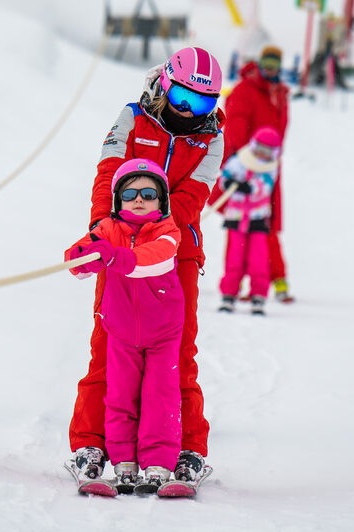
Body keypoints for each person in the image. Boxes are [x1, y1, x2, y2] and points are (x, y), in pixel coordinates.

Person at [68, 46, 225, 485]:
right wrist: (104, 231)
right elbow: (109, 172)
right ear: (165, 85)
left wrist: (156, 239)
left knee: (176, 352)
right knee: (109, 342)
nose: (188, 111)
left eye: (202, 104)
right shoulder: (132, 117)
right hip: (118, 243)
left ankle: (188, 448)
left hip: (178, 252)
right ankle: (90, 443)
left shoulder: (211, 136)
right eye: (182, 98)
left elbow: (195, 196)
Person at [65, 159, 185, 488]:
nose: (139, 199)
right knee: (119, 396)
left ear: (162, 201)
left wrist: (116, 257)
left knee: (160, 395)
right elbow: (79, 256)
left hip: (163, 331)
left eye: (149, 193)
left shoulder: (168, 232)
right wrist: (83, 257)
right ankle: (124, 463)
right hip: (120, 330)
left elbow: (152, 260)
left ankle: (158, 464)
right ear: (119, 199)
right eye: (130, 193)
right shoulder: (108, 229)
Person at [210, 44, 294, 303]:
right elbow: (235, 124)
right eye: (266, 64)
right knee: (244, 228)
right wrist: (239, 163)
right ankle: (244, 282)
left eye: (275, 65)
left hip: (269, 166)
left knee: (264, 224)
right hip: (247, 166)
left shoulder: (279, 92)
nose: (270, 69)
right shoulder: (245, 90)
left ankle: (269, 280)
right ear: (259, 64)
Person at [216, 126, 282, 316]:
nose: (263, 154)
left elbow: (265, 186)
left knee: (258, 260)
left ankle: (258, 295)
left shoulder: (270, 167)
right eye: (260, 148)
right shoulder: (239, 160)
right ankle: (229, 294)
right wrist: (228, 182)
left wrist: (249, 187)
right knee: (234, 258)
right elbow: (226, 175)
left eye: (268, 151)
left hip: (257, 220)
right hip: (236, 218)